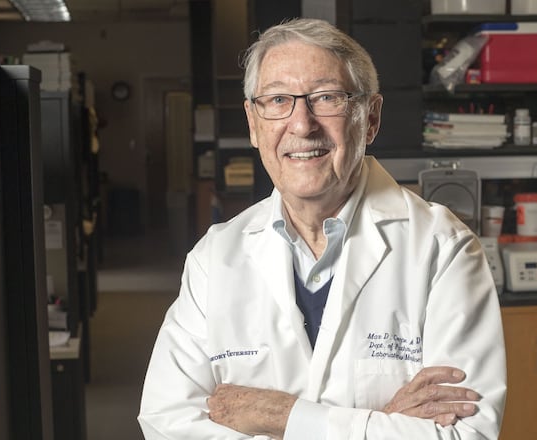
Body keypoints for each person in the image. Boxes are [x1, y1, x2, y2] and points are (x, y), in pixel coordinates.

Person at [138, 17, 506, 439]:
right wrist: (379, 421)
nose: (301, 124)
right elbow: (167, 424)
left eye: (326, 97)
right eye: (277, 100)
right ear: (254, 124)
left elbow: (465, 435)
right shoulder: (215, 258)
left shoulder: (443, 249)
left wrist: (282, 416)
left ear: (370, 118)